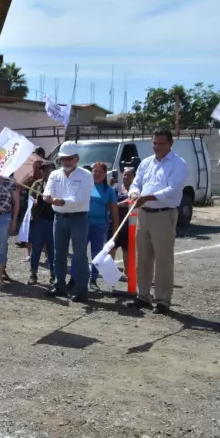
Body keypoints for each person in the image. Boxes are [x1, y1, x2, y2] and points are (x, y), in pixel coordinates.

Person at [126, 129, 188, 314]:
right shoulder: (146, 163)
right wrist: (135, 193)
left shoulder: (178, 164)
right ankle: (143, 296)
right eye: (154, 143)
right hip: (143, 214)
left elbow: (172, 190)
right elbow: (136, 183)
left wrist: (149, 197)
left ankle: (163, 300)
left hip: (164, 214)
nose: (157, 147)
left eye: (161, 143)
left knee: (163, 259)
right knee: (143, 258)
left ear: (170, 144)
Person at [43, 141, 92, 302]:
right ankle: (59, 286)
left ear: (77, 158)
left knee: (79, 255)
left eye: (69, 158)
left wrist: (62, 201)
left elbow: (81, 199)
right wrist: (48, 198)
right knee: (59, 254)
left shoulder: (86, 175)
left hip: (79, 218)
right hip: (59, 218)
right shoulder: (54, 175)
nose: (66, 162)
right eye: (64, 159)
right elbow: (47, 192)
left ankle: (81, 289)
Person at [86, 162, 120, 291]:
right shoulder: (86, 186)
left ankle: (93, 279)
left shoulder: (109, 190)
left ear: (105, 174)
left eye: (100, 171)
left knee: (97, 254)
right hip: (84, 224)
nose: (97, 174)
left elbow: (114, 213)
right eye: (95, 171)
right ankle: (76, 279)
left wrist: (115, 233)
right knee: (79, 252)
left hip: (100, 226)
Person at [28, 160, 56, 286]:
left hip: (53, 221)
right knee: (36, 249)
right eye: (44, 169)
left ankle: (53, 275)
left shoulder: (58, 185)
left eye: (49, 169)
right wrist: (33, 203)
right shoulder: (36, 184)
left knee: (52, 250)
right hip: (39, 221)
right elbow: (29, 200)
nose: (46, 172)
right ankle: (33, 274)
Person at [112, 166, 136, 263]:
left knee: (127, 253)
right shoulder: (116, 187)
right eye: (124, 175)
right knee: (111, 250)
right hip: (115, 224)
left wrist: (116, 205)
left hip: (128, 225)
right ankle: (110, 275)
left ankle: (128, 275)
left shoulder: (135, 190)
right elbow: (110, 201)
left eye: (128, 175)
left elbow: (131, 201)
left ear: (134, 177)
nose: (125, 177)